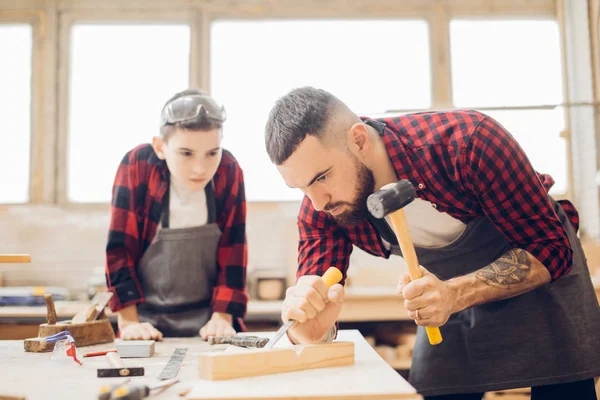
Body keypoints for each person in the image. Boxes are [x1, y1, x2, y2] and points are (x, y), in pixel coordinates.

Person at [264, 86, 600, 399]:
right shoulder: (323, 208)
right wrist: (311, 328)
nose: (318, 201)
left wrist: (455, 293)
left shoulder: (469, 142)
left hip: (539, 277)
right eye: (302, 188)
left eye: (322, 177)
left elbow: (551, 249)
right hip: (445, 299)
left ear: (359, 140)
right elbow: (311, 317)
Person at [105, 89, 248, 341]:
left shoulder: (229, 170)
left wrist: (222, 318)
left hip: (209, 323)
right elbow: (120, 250)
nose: (200, 168)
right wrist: (128, 323)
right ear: (161, 147)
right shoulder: (137, 166)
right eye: (186, 153)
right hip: (144, 322)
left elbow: (233, 250)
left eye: (212, 153)